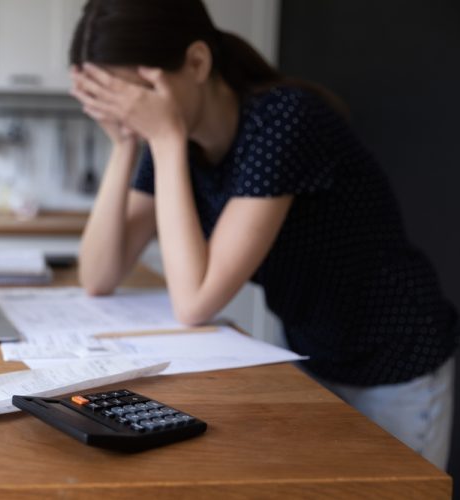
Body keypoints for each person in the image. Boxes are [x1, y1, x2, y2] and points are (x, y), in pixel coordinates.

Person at [68, 0, 458, 469]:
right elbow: (97, 275)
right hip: (317, 352)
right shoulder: (175, 141)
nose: (129, 113)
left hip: (395, 357)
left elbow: (195, 301)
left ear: (196, 62)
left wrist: (165, 140)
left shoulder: (283, 120)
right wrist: (125, 142)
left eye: (136, 96)